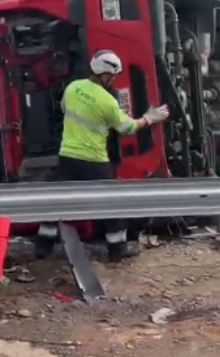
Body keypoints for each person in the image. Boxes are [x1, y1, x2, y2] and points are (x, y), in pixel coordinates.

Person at [34, 50, 170, 262]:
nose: (113, 80)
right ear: (105, 75)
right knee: (109, 204)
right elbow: (127, 128)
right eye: (113, 76)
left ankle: (43, 247)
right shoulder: (107, 101)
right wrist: (150, 118)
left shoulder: (72, 88)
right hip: (94, 161)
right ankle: (117, 249)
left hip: (68, 157)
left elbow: (64, 109)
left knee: (56, 202)